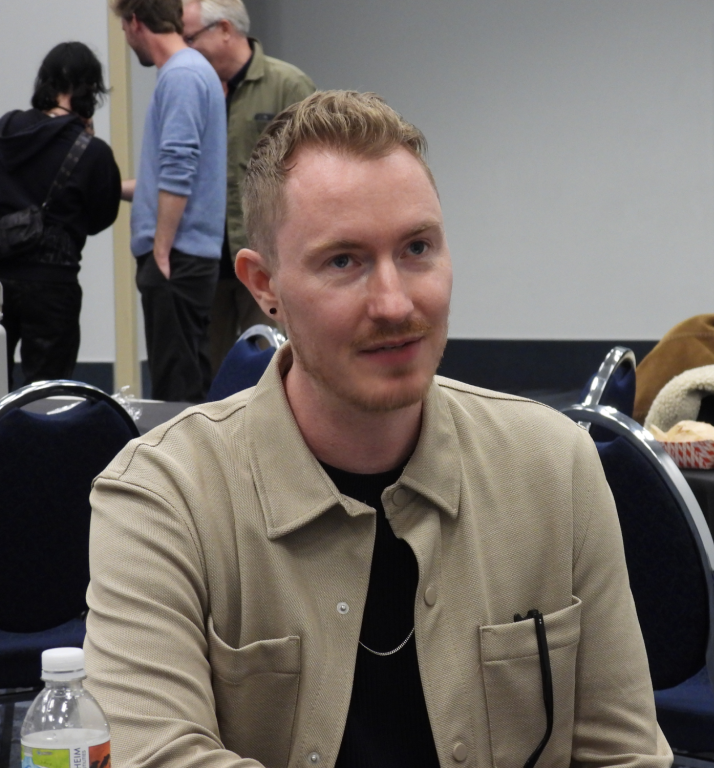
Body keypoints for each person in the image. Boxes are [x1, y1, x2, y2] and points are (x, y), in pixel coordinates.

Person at [84, 91, 672, 768]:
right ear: (263, 285)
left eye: (417, 248)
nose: (396, 304)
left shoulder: (555, 468)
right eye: (344, 261)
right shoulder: (163, 496)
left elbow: (623, 755)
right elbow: (154, 755)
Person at [181, 0, 315, 375]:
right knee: (208, 369)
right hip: (207, 259)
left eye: (190, 37)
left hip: (265, 255)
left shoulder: (286, 84)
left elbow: (312, 171)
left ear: (224, 29)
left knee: (273, 364)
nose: (184, 49)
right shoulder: (196, 90)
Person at [114, 0, 227, 402]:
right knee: (188, 384)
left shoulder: (180, 76)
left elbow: (179, 165)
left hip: (175, 257)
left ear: (135, 22)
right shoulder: (193, 72)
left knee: (175, 394)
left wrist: (161, 247)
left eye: (124, 29)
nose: (126, 39)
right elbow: (167, 177)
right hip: (186, 254)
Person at [0, 42, 121, 390]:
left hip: (0, 278)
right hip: (54, 284)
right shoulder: (91, 150)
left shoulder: (6, 129)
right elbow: (101, 217)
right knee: (46, 394)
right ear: (91, 90)